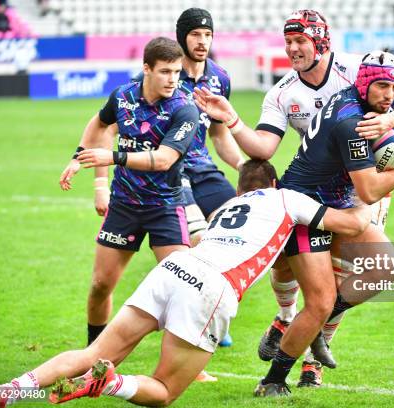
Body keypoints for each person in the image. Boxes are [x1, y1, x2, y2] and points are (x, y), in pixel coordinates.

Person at [0, 160, 372, 408]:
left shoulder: (227, 207)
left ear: (240, 189)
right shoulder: (286, 197)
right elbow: (352, 225)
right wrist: (371, 190)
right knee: (164, 392)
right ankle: (113, 383)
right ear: (273, 181)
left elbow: (202, 241)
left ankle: (11, 390)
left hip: (176, 267)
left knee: (92, 353)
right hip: (212, 286)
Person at [193, 9, 394, 387]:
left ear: (321, 42)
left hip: (349, 186)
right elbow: (264, 147)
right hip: (313, 201)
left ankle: (308, 334)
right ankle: (280, 360)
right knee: (306, 285)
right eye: (288, 42)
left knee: (375, 269)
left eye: (301, 41)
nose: (293, 49)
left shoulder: (358, 70)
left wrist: (391, 120)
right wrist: (233, 120)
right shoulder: (286, 93)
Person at [247, 51, 394, 397]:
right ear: (364, 83)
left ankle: (311, 325)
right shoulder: (352, 122)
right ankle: (273, 380)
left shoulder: (367, 107)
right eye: (381, 86)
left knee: (384, 267)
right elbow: (370, 188)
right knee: (318, 301)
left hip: (336, 206)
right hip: (305, 209)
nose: (389, 94)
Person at [95, 8, 244, 356]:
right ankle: (196, 327)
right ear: (182, 37)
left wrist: (244, 165)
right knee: (196, 243)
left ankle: (212, 308)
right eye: (195, 34)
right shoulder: (157, 77)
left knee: (236, 238)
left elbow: (220, 134)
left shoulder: (219, 79)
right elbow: (111, 126)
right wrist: (101, 180)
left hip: (203, 167)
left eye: (207, 35)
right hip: (170, 175)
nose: (202, 41)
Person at [59, 37, 198, 347]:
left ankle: (184, 361)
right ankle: (93, 354)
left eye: (177, 72)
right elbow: (98, 124)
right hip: (124, 205)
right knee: (100, 285)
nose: (172, 79)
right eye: (165, 71)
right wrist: (78, 157)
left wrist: (114, 157)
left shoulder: (185, 109)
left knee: (182, 288)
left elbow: (163, 160)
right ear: (146, 68)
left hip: (165, 206)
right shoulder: (122, 97)